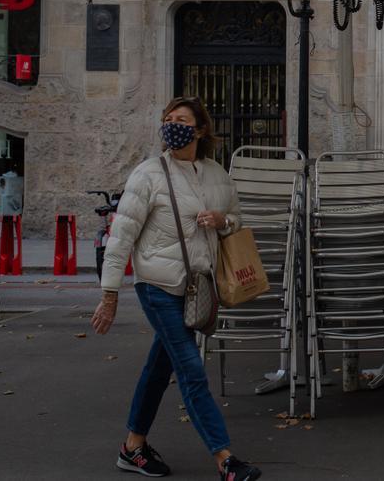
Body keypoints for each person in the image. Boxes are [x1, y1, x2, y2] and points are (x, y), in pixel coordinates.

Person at [91, 96, 262, 480]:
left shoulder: (218, 174)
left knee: (159, 367)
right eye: (168, 119)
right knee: (190, 370)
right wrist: (110, 293)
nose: (173, 125)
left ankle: (132, 447)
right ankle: (226, 460)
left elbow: (236, 219)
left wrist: (222, 220)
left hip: (195, 288)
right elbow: (121, 236)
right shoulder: (148, 174)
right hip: (157, 285)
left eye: (182, 120)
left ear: (200, 129)